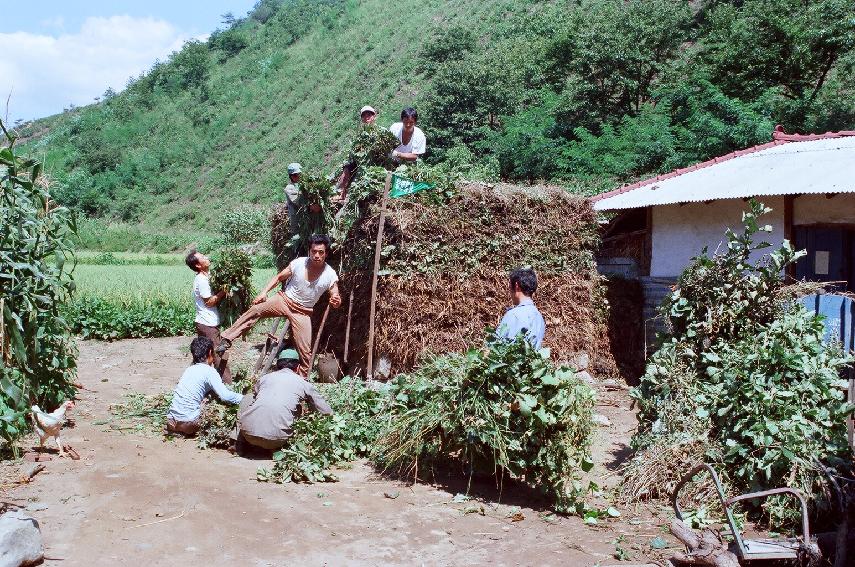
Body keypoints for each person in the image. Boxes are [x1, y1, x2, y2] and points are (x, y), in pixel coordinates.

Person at [217, 234, 342, 375]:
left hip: (303, 312)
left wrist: (336, 300)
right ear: (309, 251)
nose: (317, 255)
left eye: (321, 252)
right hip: (284, 300)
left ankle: (300, 382)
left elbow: (335, 295)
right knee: (256, 309)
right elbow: (278, 277)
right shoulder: (299, 263)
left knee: (306, 353)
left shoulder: (330, 274)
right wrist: (264, 292)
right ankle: (227, 338)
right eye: (314, 251)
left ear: (326, 253)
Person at [236, 348, 332, 452]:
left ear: (277, 365)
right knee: (298, 407)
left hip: (248, 434)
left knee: (249, 397)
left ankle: (237, 441)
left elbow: (256, 394)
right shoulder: (303, 383)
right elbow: (326, 411)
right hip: (277, 440)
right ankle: (276, 447)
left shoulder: (265, 378)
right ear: (298, 367)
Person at [166, 336, 243, 436]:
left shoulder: (189, 369)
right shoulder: (209, 371)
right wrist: (245, 399)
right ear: (210, 353)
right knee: (209, 403)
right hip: (188, 423)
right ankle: (187, 429)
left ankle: (176, 429)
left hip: (171, 420)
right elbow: (226, 396)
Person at [185, 250, 232, 383]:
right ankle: (227, 386)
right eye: (203, 257)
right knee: (218, 354)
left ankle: (195, 380)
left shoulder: (208, 276)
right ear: (198, 265)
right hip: (208, 324)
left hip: (205, 323)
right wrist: (224, 291)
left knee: (203, 354)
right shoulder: (202, 280)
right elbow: (210, 302)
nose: (206, 258)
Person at [496, 268, 546, 349]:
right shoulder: (539, 317)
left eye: (509, 288)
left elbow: (494, 347)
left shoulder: (513, 315)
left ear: (516, 286)